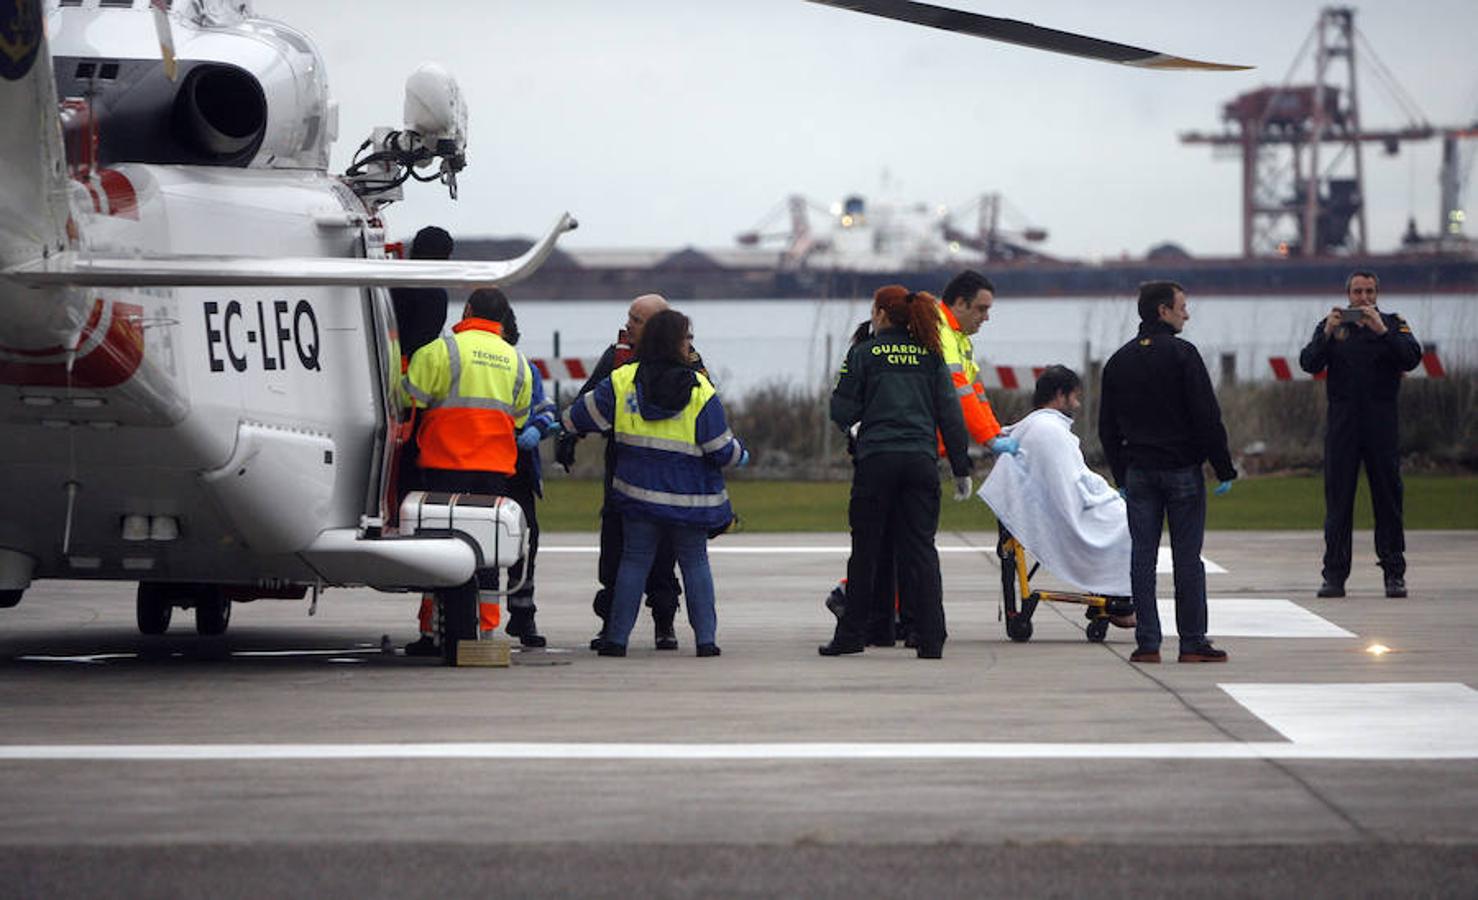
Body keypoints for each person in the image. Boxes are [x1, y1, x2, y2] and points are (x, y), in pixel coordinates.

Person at [561, 309, 745, 657]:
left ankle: (616, 640)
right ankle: (706, 641)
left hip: (637, 497)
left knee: (633, 561)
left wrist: (553, 425)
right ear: (678, 342)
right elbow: (720, 447)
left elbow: (579, 417)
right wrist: (741, 455)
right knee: (695, 563)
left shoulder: (622, 380)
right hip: (691, 503)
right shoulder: (701, 388)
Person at [820, 285, 972, 660]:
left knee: (866, 550)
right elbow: (950, 414)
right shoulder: (931, 354)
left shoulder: (864, 352)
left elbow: (841, 409)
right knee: (921, 549)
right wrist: (961, 466)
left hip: (877, 461)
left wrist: (858, 421)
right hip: (921, 461)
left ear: (882, 314)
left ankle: (853, 634)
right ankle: (931, 636)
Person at [1098, 281, 1236, 664]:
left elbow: (1106, 427)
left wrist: (1121, 475)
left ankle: (1148, 643)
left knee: (1141, 558)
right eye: (1182, 306)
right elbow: (1206, 416)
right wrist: (1222, 465)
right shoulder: (1183, 355)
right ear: (1163, 311)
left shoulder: (1118, 360)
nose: (1186, 313)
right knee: (1187, 559)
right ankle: (1192, 642)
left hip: (1139, 473)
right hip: (1181, 471)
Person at [558, 294, 695, 650]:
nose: (627, 325)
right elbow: (590, 399)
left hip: (668, 474)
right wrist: (569, 434)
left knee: (663, 552)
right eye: (629, 317)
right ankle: (611, 624)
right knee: (615, 550)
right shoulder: (617, 356)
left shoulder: (688, 363)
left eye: (636, 319)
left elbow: (705, 411)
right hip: (623, 468)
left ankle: (664, 621)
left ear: (656, 327)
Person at [401, 288, 532, 656]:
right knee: (487, 554)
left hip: (445, 467)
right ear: (503, 317)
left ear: (468, 310)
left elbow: (410, 398)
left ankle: (432, 630)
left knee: (437, 552)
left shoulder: (441, 351)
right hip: (494, 471)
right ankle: (486, 630)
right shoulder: (517, 360)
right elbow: (519, 416)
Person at [1298, 271, 1423, 598]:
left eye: (1369, 292)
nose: (1363, 298)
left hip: (1381, 424)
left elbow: (1411, 357)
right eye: (1357, 292)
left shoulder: (1394, 324)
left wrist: (1381, 331)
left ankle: (1394, 574)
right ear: (1348, 294)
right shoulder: (1335, 325)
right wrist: (1325, 332)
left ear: (1377, 294)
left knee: (1389, 500)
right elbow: (1308, 363)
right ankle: (1334, 575)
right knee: (1338, 503)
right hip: (1343, 426)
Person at [981, 365, 1132, 603]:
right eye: (1075, 398)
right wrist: (1107, 495)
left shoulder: (1034, 425)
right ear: (1061, 395)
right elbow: (1071, 486)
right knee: (1127, 520)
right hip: (1063, 510)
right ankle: (1119, 598)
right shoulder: (1050, 431)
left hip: (1046, 505)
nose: (1077, 405)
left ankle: (1114, 593)